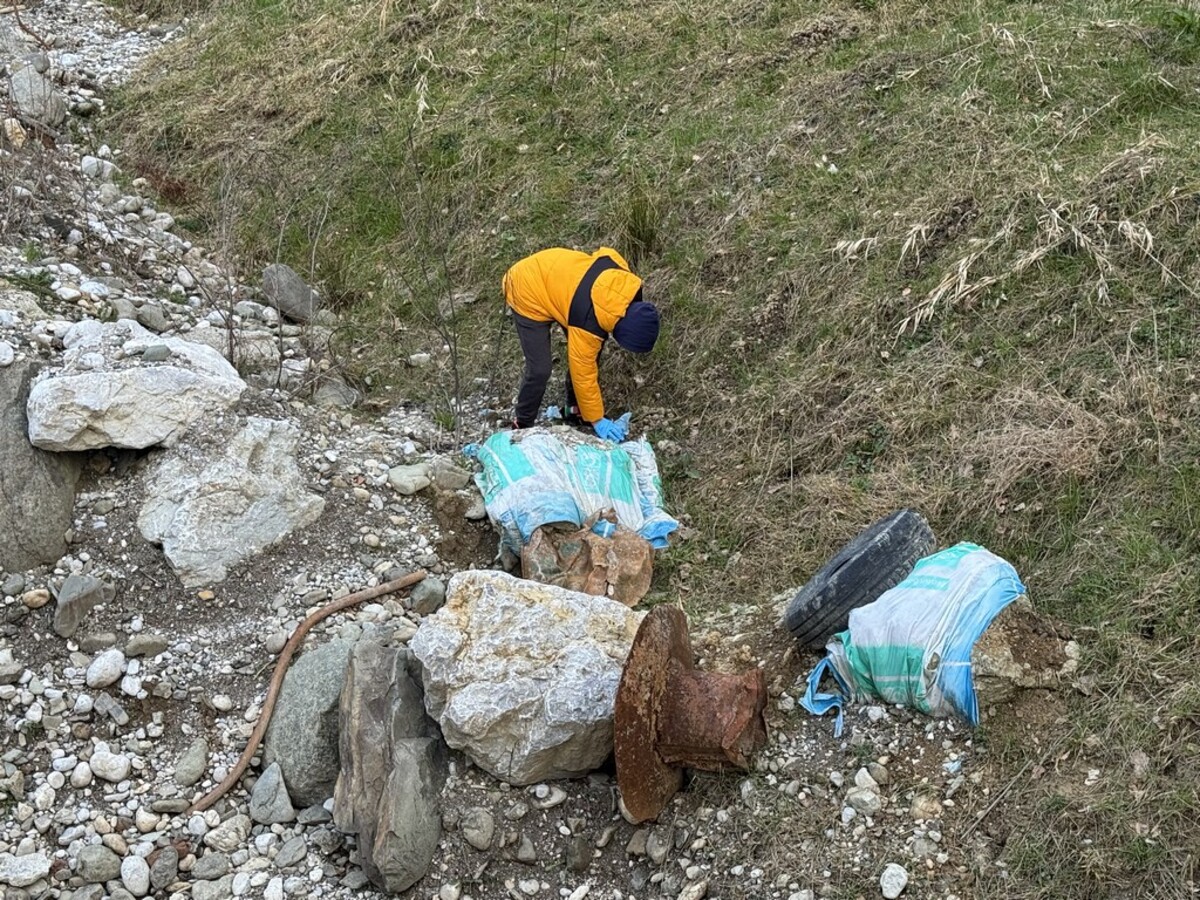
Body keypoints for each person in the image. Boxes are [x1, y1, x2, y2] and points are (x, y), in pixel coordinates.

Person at [503, 246, 660, 441]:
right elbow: (583, 374)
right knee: (540, 369)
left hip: (555, 273)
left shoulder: (623, 281)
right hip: (524, 287)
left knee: (591, 352)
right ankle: (522, 424)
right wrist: (597, 419)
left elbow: (606, 253)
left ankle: (574, 410)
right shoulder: (587, 323)